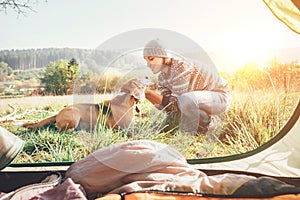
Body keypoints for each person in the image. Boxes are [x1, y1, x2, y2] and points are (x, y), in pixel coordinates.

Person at [143, 39, 231, 134]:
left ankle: (213, 125)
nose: (148, 64)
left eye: (151, 59)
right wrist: (146, 95)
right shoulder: (161, 78)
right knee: (178, 115)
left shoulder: (181, 67)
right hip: (200, 99)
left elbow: (176, 104)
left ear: (164, 56)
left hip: (220, 96)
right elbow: (167, 107)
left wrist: (148, 92)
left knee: (184, 100)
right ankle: (202, 127)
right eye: (146, 60)